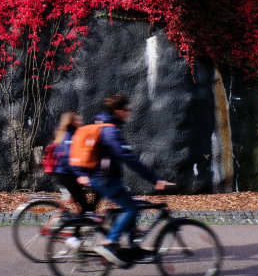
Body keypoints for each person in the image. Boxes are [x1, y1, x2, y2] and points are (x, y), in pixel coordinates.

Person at [75, 94, 172, 265]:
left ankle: (133, 248)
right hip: (104, 179)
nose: (130, 113)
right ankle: (109, 242)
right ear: (118, 111)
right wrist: (154, 179)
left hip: (107, 178)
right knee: (131, 208)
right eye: (128, 109)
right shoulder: (110, 130)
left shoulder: (108, 127)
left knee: (132, 205)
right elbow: (128, 158)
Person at [50, 111, 99, 215]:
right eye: (77, 119)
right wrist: (82, 175)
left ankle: (83, 218)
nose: (80, 121)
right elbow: (71, 158)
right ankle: (86, 218)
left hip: (67, 174)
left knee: (82, 200)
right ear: (71, 121)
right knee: (86, 203)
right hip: (67, 175)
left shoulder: (70, 133)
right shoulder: (69, 136)